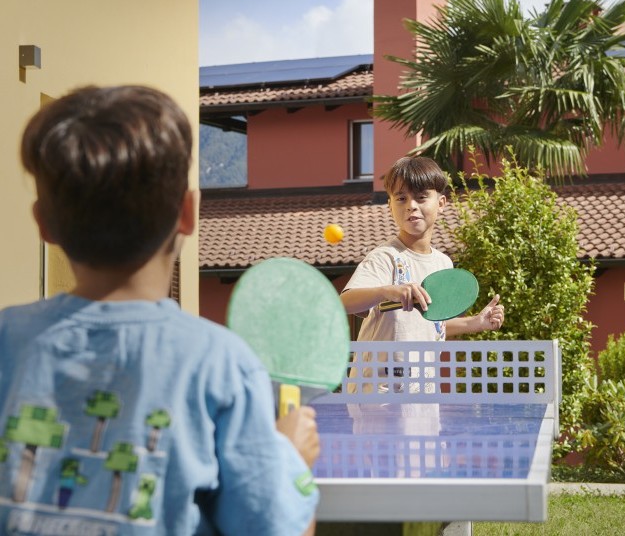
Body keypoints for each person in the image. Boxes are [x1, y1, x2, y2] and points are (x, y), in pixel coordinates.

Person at [0, 85, 319, 535]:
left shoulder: (7, 339)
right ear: (188, 213)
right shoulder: (221, 363)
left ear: (42, 224)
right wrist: (289, 460)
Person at [340, 155, 504, 351]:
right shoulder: (385, 257)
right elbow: (345, 302)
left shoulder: (443, 263)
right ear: (390, 206)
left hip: (422, 378)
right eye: (401, 198)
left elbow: (432, 324)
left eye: (421, 197)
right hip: (379, 381)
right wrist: (386, 291)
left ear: (441, 203)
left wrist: (475, 323)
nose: (411, 205)